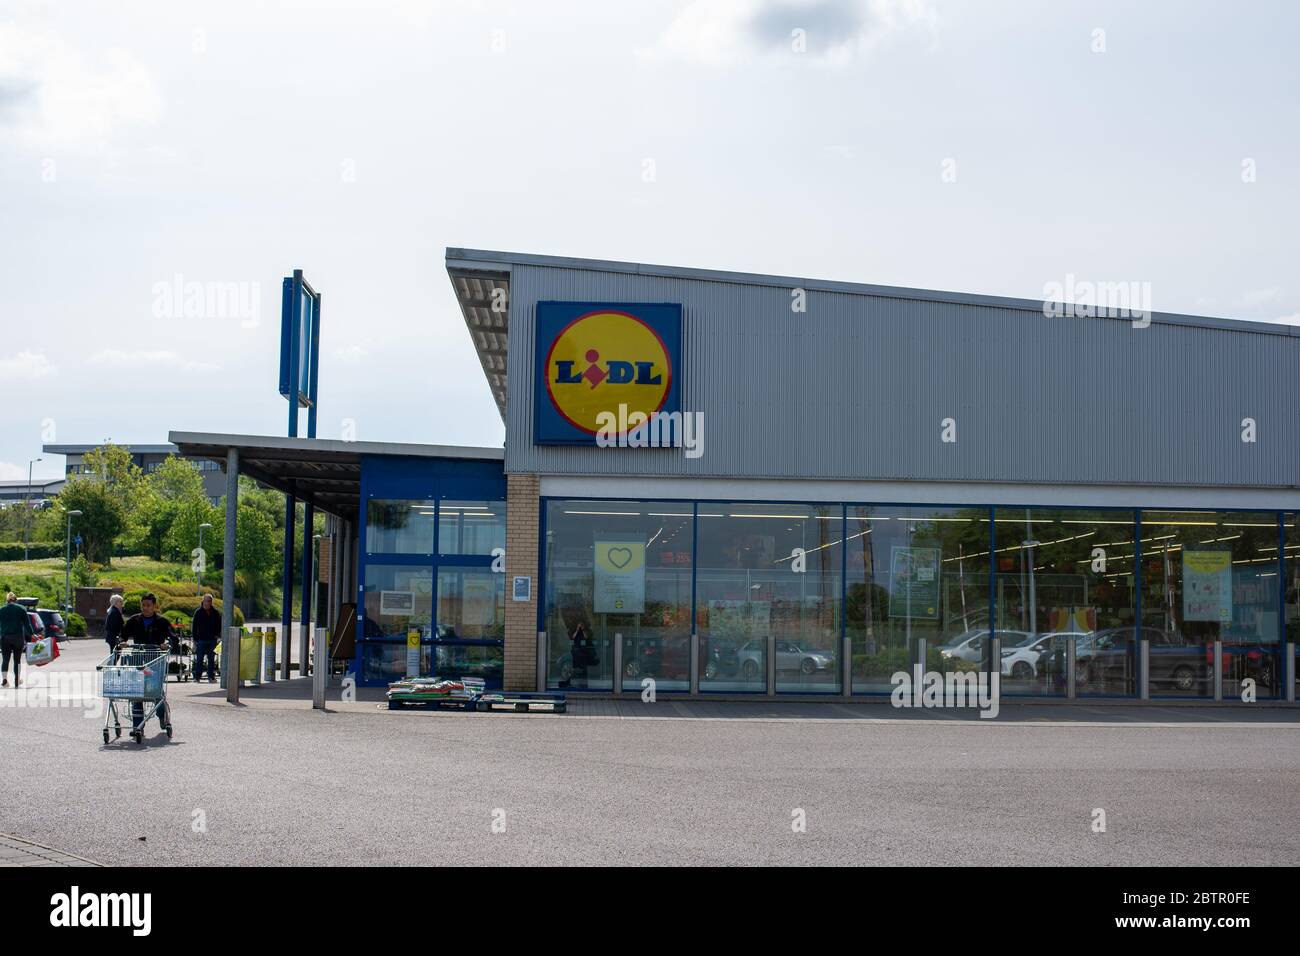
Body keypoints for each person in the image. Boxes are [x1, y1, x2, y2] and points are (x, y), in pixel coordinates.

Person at [119, 593, 173, 732]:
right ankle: (138, 725)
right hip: (138, 658)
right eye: (143, 605)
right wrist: (122, 642)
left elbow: (173, 639)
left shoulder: (162, 621)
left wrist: (167, 644)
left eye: (148, 605)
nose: (145, 608)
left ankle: (162, 715)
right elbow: (122, 635)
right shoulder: (134, 620)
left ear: (154, 606)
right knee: (137, 691)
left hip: (155, 659)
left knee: (154, 691)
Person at [0, 592, 34, 688]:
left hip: (5, 638)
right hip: (17, 637)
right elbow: (27, 624)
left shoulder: (1, 609)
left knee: (5, 660)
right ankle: (17, 680)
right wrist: (32, 634)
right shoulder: (21, 609)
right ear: (16, 600)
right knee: (17, 660)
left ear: (7, 600)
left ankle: (4, 680)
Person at [190, 593, 221, 683]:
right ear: (203, 601)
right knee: (199, 658)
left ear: (211, 602)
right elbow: (194, 626)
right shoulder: (198, 612)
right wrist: (195, 639)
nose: (208, 603)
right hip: (201, 639)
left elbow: (219, 625)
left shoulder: (215, 612)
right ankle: (197, 677)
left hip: (212, 639)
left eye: (210, 601)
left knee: (211, 659)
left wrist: (217, 635)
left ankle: (211, 676)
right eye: (206, 601)